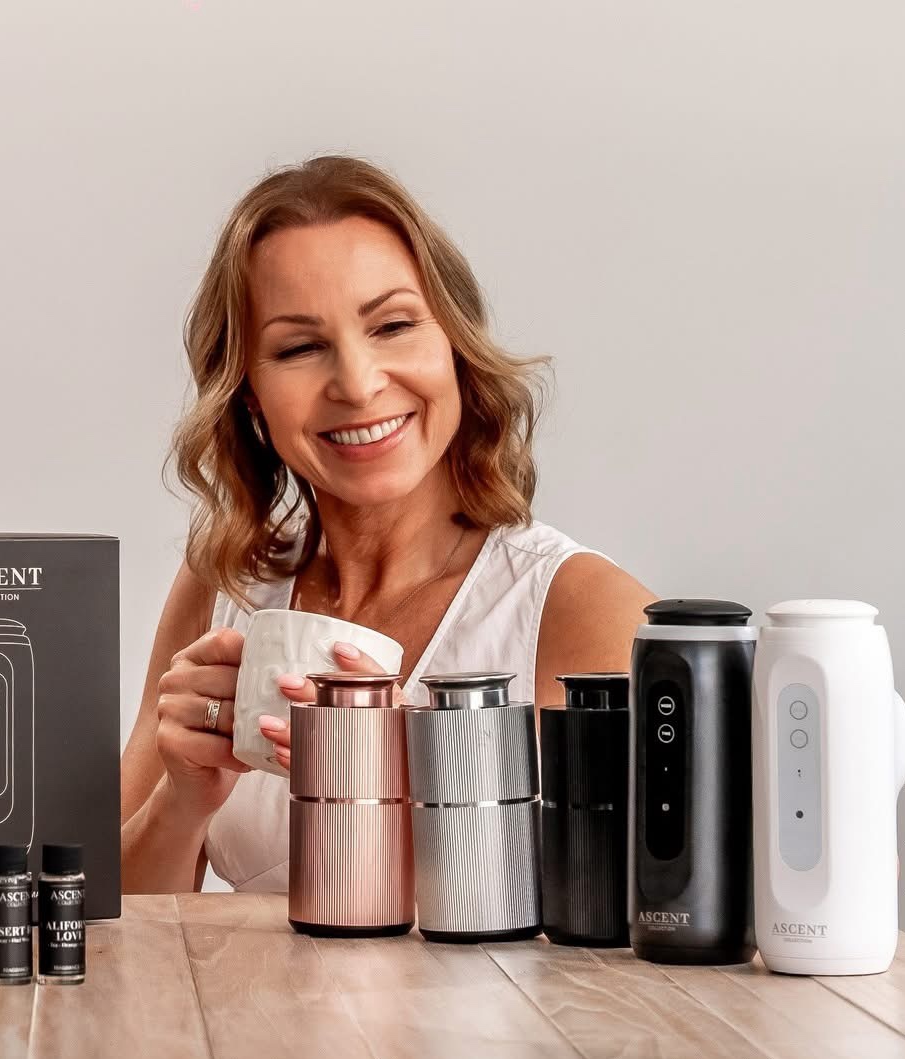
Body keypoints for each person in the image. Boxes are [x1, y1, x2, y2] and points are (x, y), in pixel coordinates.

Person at [119, 156, 655, 893]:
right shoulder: (226, 582)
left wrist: (425, 779)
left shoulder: (581, 608)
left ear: (456, 346)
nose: (358, 383)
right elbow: (109, 929)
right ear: (248, 394)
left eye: (393, 326)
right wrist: (183, 802)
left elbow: (645, 919)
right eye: (300, 347)